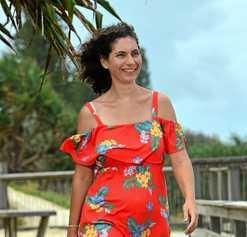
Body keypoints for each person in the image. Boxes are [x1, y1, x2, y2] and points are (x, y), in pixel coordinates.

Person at [60, 23, 198, 237]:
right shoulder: (90, 114)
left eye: (135, 53)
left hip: (152, 221)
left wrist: (190, 198)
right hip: (102, 220)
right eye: (121, 55)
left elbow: (180, 158)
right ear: (105, 61)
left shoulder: (160, 104)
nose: (131, 61)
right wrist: (72, 229)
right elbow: (82, 176)